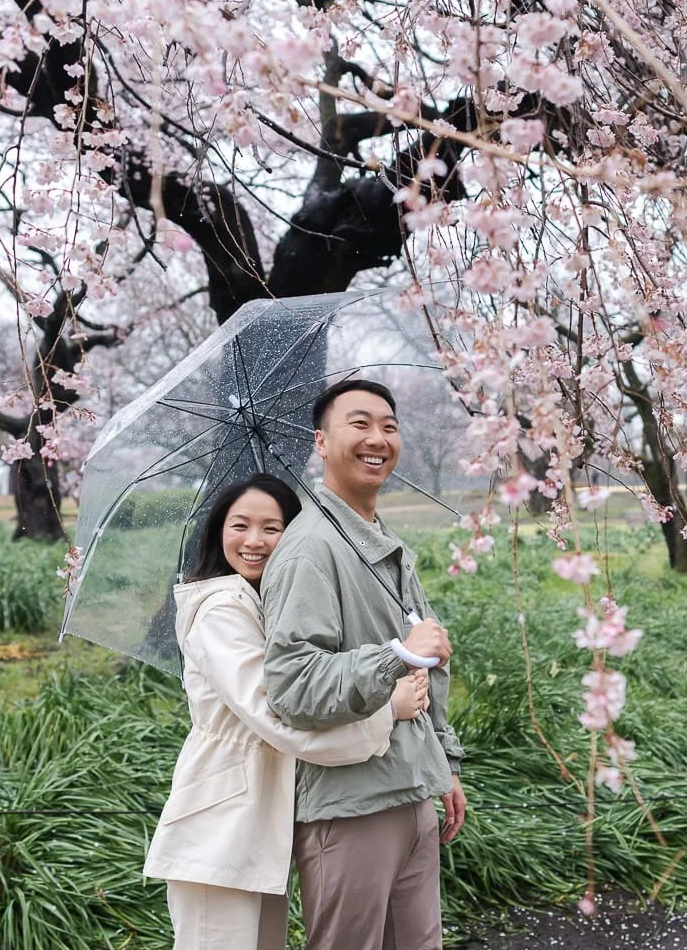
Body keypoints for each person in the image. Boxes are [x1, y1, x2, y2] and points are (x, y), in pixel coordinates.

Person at [144, 473, 431, 950]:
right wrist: (386, 710)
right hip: (221, 826)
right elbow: (276, 716)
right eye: (240, 525)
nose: (254, 541)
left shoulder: (262, 603)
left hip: (257, 822)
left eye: (271, 528)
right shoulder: (220, 611)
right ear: (218, 532)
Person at [262, 379, 466, 950]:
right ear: (321, 442)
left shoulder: (380, 539)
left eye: (389, 426)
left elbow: (427, 666)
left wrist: (443, 761)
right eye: (359, 424)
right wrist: (394, 657)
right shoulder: (311, 548)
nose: (378, 438)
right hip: (350, 804)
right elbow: (292, 683)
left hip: (409, 788)